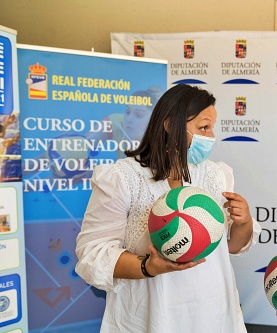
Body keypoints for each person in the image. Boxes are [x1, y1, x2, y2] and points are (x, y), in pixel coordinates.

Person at [75, 84, 262, 333]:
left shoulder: (218, 175)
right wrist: (147, 267)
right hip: (151, 318)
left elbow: (231, 247)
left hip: (214, 314)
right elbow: (92, 254)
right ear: (170, 125)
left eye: (212, 127)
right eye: (203, 127)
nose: (211, 136)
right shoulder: (122, 178)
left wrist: (244, 223)